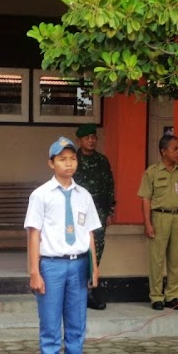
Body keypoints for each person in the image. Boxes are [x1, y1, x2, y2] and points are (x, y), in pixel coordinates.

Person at [24, 136, 101, 354]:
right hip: (52, 266)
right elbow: (34, 234)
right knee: (50, 325)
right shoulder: (41, 195)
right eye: (62, 159)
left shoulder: (84, 196)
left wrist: (94, 267)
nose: (69, 164)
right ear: (51, 163)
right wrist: (34, 271)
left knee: (76, 324)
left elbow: (90, 232)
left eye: (72, 158)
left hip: (78, 264)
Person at [137, 135, 178, 311]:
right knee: (157, 259)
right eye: (175, 149)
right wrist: (147, 223)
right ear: (163, 151)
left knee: (176, 259)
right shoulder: (152, 172)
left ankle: (172, 296)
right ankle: (156, 297)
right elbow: (146, 199)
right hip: (159, 217)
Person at [72, 123, 115, 310]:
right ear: (79, 140)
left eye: (93, 137)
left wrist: (110, 211)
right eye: (87, 138)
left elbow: (109, 186)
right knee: (76, 248)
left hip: (98, 211)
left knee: (96, 248)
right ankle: (78, 289)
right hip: (76, 212)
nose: (91, 141)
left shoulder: (102, 161)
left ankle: (91, 287)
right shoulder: (73, 160)